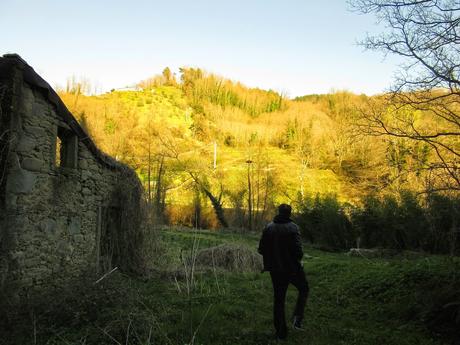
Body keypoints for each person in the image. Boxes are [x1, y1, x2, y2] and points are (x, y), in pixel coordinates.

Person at [258, 204, 309, 340]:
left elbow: (261, 249)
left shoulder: (268, 228)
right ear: (289, 214)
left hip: (275, 270)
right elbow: (299, 252)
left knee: (279, 300)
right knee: (304, 289)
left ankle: (281, 333)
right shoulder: (293, 228)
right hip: (292, 269)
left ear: (278, 212)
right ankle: (297, 318)